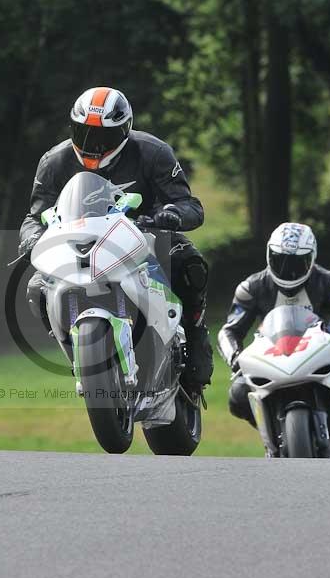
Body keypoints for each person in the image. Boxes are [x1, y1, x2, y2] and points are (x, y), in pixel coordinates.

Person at [17, 86, 213, 393]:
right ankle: (75, 350)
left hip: (145, 237)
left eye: (103, 137)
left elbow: (191, 205)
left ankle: (196, 331)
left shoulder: (153, 152)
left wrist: (172, 214)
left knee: (190, 264)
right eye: (83, 133)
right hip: (77, 245)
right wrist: (32, 240)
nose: (93, 145)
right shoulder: (54, 161)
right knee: (35, 289)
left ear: (125, 131)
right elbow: (34, 215)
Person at [218, 222, 330, 424]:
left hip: (320, 358)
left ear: (312, 257)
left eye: (297, 263)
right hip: (272, 359)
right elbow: (229, 331)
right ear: (269, 254)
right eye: (280, 260)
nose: (288, 270)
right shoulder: (251, 287)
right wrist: (236, 357)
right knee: (238, 394)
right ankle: (271, 429)